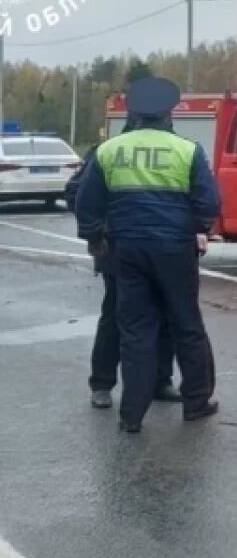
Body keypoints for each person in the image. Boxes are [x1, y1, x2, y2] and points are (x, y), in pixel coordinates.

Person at [75, 76, 222, 433]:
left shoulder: (110, 150)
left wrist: (94, 238)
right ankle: (196, 402)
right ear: (169, 114)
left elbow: (86, 201)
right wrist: (196, 227)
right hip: (174, 248)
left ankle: (131, 416)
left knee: (135, 331)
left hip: (127, 249)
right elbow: (209, 202)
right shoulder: (187, 150)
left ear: (133, 113)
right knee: (186, 323)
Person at [66, 127, 181, 410]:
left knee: (164, 314)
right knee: (116, 315)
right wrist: (98, 231)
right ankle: (102, 383)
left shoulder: (175, 149)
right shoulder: (108, 151)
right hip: (118, 248)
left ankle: (160, 380)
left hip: (162, 248)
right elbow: (76, 192)